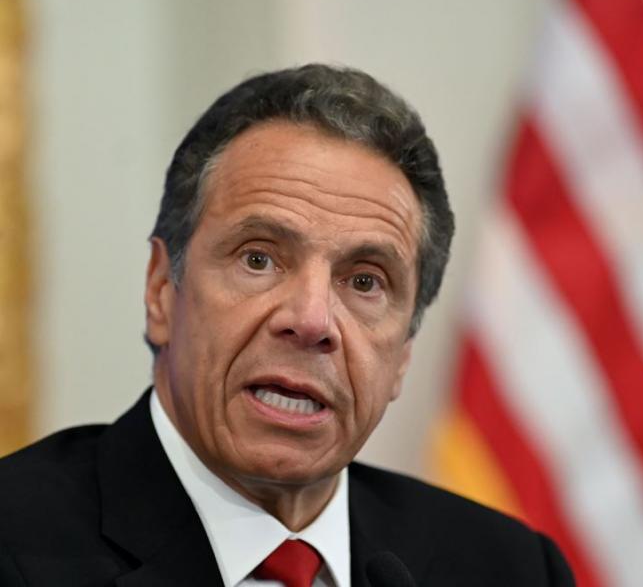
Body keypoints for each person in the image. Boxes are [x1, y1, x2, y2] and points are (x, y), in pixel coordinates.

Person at [0, 64, 574, 586]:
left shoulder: (512, 569)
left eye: (365, 281)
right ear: (160, 292)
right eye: (258, 259)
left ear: (403, 353)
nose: (311, 320)